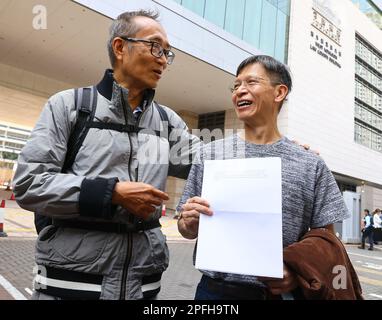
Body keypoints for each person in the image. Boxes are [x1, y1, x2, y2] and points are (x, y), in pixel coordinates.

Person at [12, 10, 199, 300]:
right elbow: (28, 185)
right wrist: (111, 193)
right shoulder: (69, 106)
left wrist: (280, 147)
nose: (163, 58)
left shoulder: (166, 121)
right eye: (155, 46)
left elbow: (209, 161)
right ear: (120, 47)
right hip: (72, 285)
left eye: (168, 53)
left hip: (143, 285)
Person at [177, 55, 350, 300]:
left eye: (251, 82)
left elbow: (326, 238)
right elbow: (185, 228)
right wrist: (189, 221)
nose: (239, 91)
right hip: (213, 291)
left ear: (279, 92)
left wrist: (296, 271)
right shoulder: (209, 154)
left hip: (280, 293)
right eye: (236, 86)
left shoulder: (310, 163)